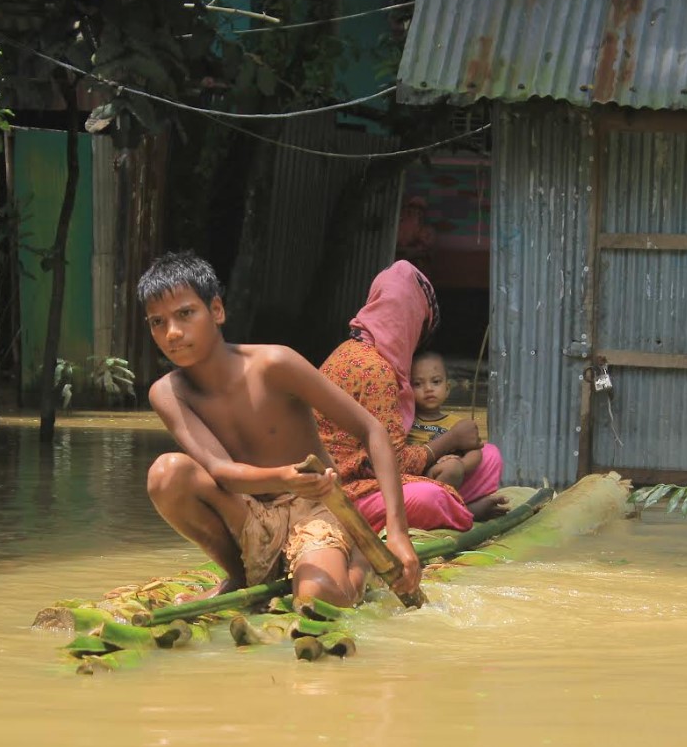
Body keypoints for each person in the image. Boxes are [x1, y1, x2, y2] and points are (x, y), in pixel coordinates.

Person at [139, 252, 421, 608]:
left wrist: (397, 533)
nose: (173, 333)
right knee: (166, 474)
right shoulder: (167, 392)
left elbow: (372, 430)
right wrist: (284, 477)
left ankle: (360, 565)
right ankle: (240, 576)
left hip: (315, 506)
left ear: (217, 311)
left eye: (185, 314)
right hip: (249, 511)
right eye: (157, 322)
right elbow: (222, 472)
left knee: (318, 598)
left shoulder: (274, 363)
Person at [316, 261, 509, 533]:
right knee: (430, 498)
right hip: (347, 492)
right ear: (408, 319)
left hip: (373, 476)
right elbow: (390, 465)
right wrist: (450, 441)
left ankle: (450, 501)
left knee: (488, 456)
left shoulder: (353, 350)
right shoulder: (376, 371)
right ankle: (464, 511)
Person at [408, 350, 504, 501]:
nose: (428, 389)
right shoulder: (407, 421)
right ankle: (459, 508)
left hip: (443, 474)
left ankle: (448, 505)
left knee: (479, 457)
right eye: (418, 384)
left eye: (436, 381)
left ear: (447, 389)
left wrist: (460, 465)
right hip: (414, 477)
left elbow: (475, 452)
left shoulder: (457, 424)